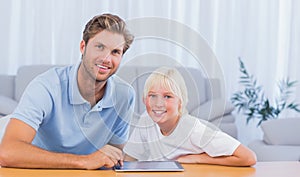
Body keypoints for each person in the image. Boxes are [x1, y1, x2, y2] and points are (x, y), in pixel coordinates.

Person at [0, 13, 135, 170]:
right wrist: (83, 161)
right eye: (100, 47)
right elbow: (8, 152)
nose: (106, 59)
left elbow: (114, 153)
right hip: (38, 170)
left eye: (115, 52)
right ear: (83, 47)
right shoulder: (47, 86)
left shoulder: (125, 95)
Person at [123, 67, 257, 166]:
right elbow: (130, 158)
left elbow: (248, 157)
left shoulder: (194, 130)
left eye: (167, 97)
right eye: (152, 96)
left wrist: (198, 158)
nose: (158, 104)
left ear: (180, 102)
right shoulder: (146, 119)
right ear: (144, 100)